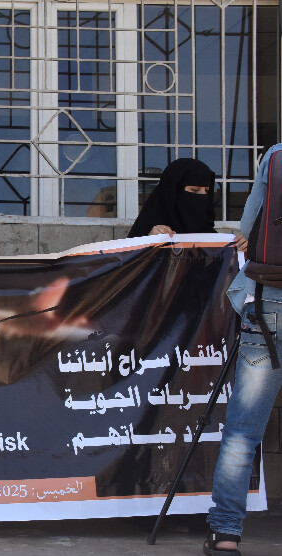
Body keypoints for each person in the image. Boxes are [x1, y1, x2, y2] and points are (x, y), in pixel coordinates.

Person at [203, 143, 282, 555]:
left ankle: (226, 534)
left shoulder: (276, 156)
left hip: (270, 303)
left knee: (243, 431)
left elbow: (248, 232)